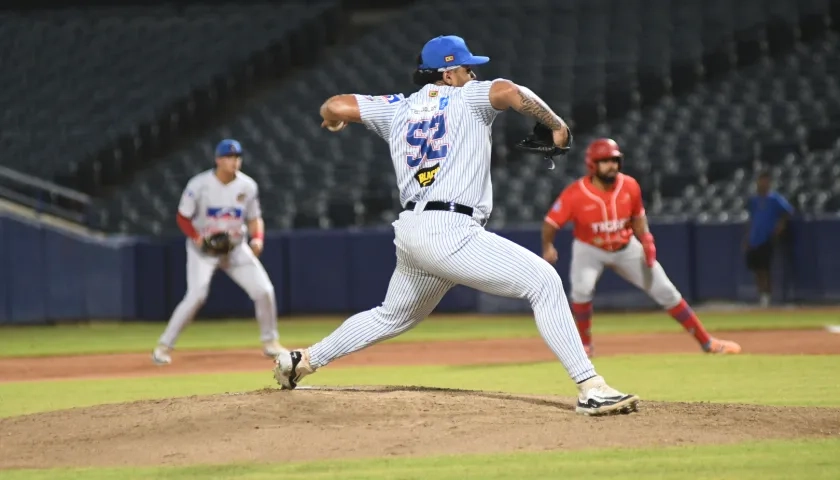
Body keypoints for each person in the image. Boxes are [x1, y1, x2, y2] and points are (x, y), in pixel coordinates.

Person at [272, 35, 639, 417]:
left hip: (413, 230)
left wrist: (333, 119)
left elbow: (335, 105)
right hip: (450, 229)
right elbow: (510, 91)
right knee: (544, 282)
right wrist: (556, 124)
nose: (473, 73)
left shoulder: (397, 108)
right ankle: (591, 387)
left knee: (393, 315)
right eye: (466, 68)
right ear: (448, 75)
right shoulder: (468, 97)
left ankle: (302, 361)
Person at [541, 138, 741, 357]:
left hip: (625, 246)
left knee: (667, 291)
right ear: (592, 164)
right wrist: (548, 245)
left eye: (615, 160)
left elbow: (637, 217)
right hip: (590, 249)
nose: (612, 165)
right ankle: (585, 347)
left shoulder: (630, 185)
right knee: (581, 291)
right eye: (605, 161)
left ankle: (707, 343)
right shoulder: (575, 193)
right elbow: (551, 222)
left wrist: (646, 239)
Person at [152, 139, 284, 365]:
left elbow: (254, 218)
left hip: (235, 248)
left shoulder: (248, 186)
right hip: (203, 250)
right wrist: (197, 238)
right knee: (196, 296)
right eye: (229, 157)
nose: (234, 161)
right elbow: (183, 217)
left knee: (264, 290)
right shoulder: (199, 184)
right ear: (218, 160)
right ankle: (164, 346)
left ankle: (270, 342)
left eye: (237, 157)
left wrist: (258, 239)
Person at [743, 170, 794, 307]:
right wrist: (747, 238)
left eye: (765, 180)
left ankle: (767, 297)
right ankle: (761, 295)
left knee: (765, 269)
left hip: (767, 238)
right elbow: (751, 219)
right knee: (756, 269)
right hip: (754, 238)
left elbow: (788, 211)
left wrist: (779, 227)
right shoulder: (754, 200)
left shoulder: (775, 199)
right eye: (760, 180)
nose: (762, 183)